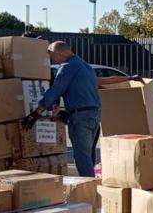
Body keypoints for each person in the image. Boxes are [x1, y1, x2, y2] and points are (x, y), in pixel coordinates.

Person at [26, 42, 102, 177]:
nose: (53, 60)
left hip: (80, 117)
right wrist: (58, 105)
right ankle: (93, 186)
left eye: (53, 57)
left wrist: (36, 113)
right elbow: (79, 90)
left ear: (59, 53)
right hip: (94, 115)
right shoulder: (86, 66)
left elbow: (56, 89)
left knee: (82, 157)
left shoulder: (67, 67)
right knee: (88, 155)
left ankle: (90, 192)